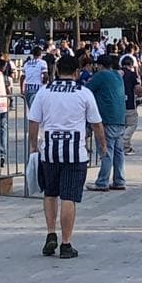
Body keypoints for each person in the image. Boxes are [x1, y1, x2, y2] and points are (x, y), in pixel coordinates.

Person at [27, 54, 106, 260]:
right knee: (69, 197)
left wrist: (33, 147)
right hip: (74, 153)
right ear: (77, 72)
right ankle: (66, 243)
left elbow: (34, 122)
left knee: (50, 194)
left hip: (49, 152)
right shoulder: (84, 93)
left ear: (56, 71)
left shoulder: (44, 92)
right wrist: (103, 146)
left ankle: (50, 232)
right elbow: (96, 124)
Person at [86, 55, 126, 192]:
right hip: (120, 118)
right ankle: (119, 180)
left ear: (100, 65)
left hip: (107, 119)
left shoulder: (101, 75)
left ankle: (102, 181)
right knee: (118, 151)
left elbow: (86, 89)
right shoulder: (117, 75)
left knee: (106, 151)